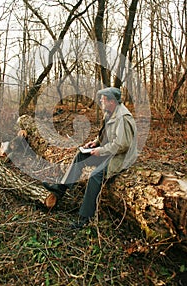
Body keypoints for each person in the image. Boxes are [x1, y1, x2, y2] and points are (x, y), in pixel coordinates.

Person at [43, 87, 137, 229]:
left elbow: (122, 145)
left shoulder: (123, 118)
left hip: (121, 157)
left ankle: (85, 218)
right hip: (108, 151)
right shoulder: (110, 112)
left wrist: (101, 150)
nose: (100, 101)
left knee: (95, 176)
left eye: (103, 99)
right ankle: (60, 189)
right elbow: (106, 135)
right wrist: (95, 143)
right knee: (81, 155)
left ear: (112, 101)